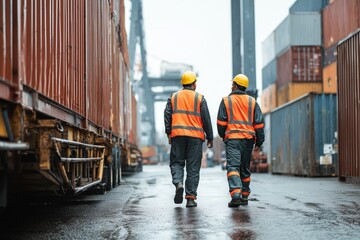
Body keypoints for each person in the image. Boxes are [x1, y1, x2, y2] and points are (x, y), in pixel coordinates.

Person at [164, 71, 214, 208]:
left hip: (178, 136)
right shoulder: (200, 98)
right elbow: (206, 119)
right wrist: (210, 137)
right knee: (193, 168)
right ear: (194, 84)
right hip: (195, 138)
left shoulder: (173, 97)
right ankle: (190, 198)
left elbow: (167, 115)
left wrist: (169, 132)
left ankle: (178, 183)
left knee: (176, 163)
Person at [216, 74, 265, 208]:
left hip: (233, 139)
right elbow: (259, 124)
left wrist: (223, 135)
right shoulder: (252, 102)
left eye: (232, 84)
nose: (231, 86)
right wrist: (259, 142)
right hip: (248, 140)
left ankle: (235, 194)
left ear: (236, 85)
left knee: (233, 167)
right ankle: (244, 195)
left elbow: (221, 123)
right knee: (244, 168)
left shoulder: (226, 101)